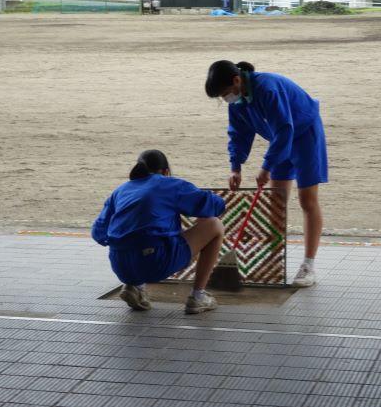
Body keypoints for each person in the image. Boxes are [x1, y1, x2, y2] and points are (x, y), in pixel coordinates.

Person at [205, 60, 328, 287]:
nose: (226, 99)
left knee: (307, 200)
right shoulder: (237, 101)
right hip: (279, 139)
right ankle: (273, 259)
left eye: (224, 94)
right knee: (276, 202)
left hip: (304, 135)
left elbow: (285, 128)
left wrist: (267, 167)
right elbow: (238, 133)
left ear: (236, 80)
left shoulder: (268, 88)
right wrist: (235, 167)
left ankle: (308, 265)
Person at [92, 149, 226, 314]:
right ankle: (198, 297)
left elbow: (98, 233)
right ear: (166, 172)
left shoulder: (120, 191)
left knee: (139, 238)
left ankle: (135, 286)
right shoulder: (170, 184)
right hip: (157, 262)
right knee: (215, 225)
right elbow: (215, 205)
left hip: (120, 266)